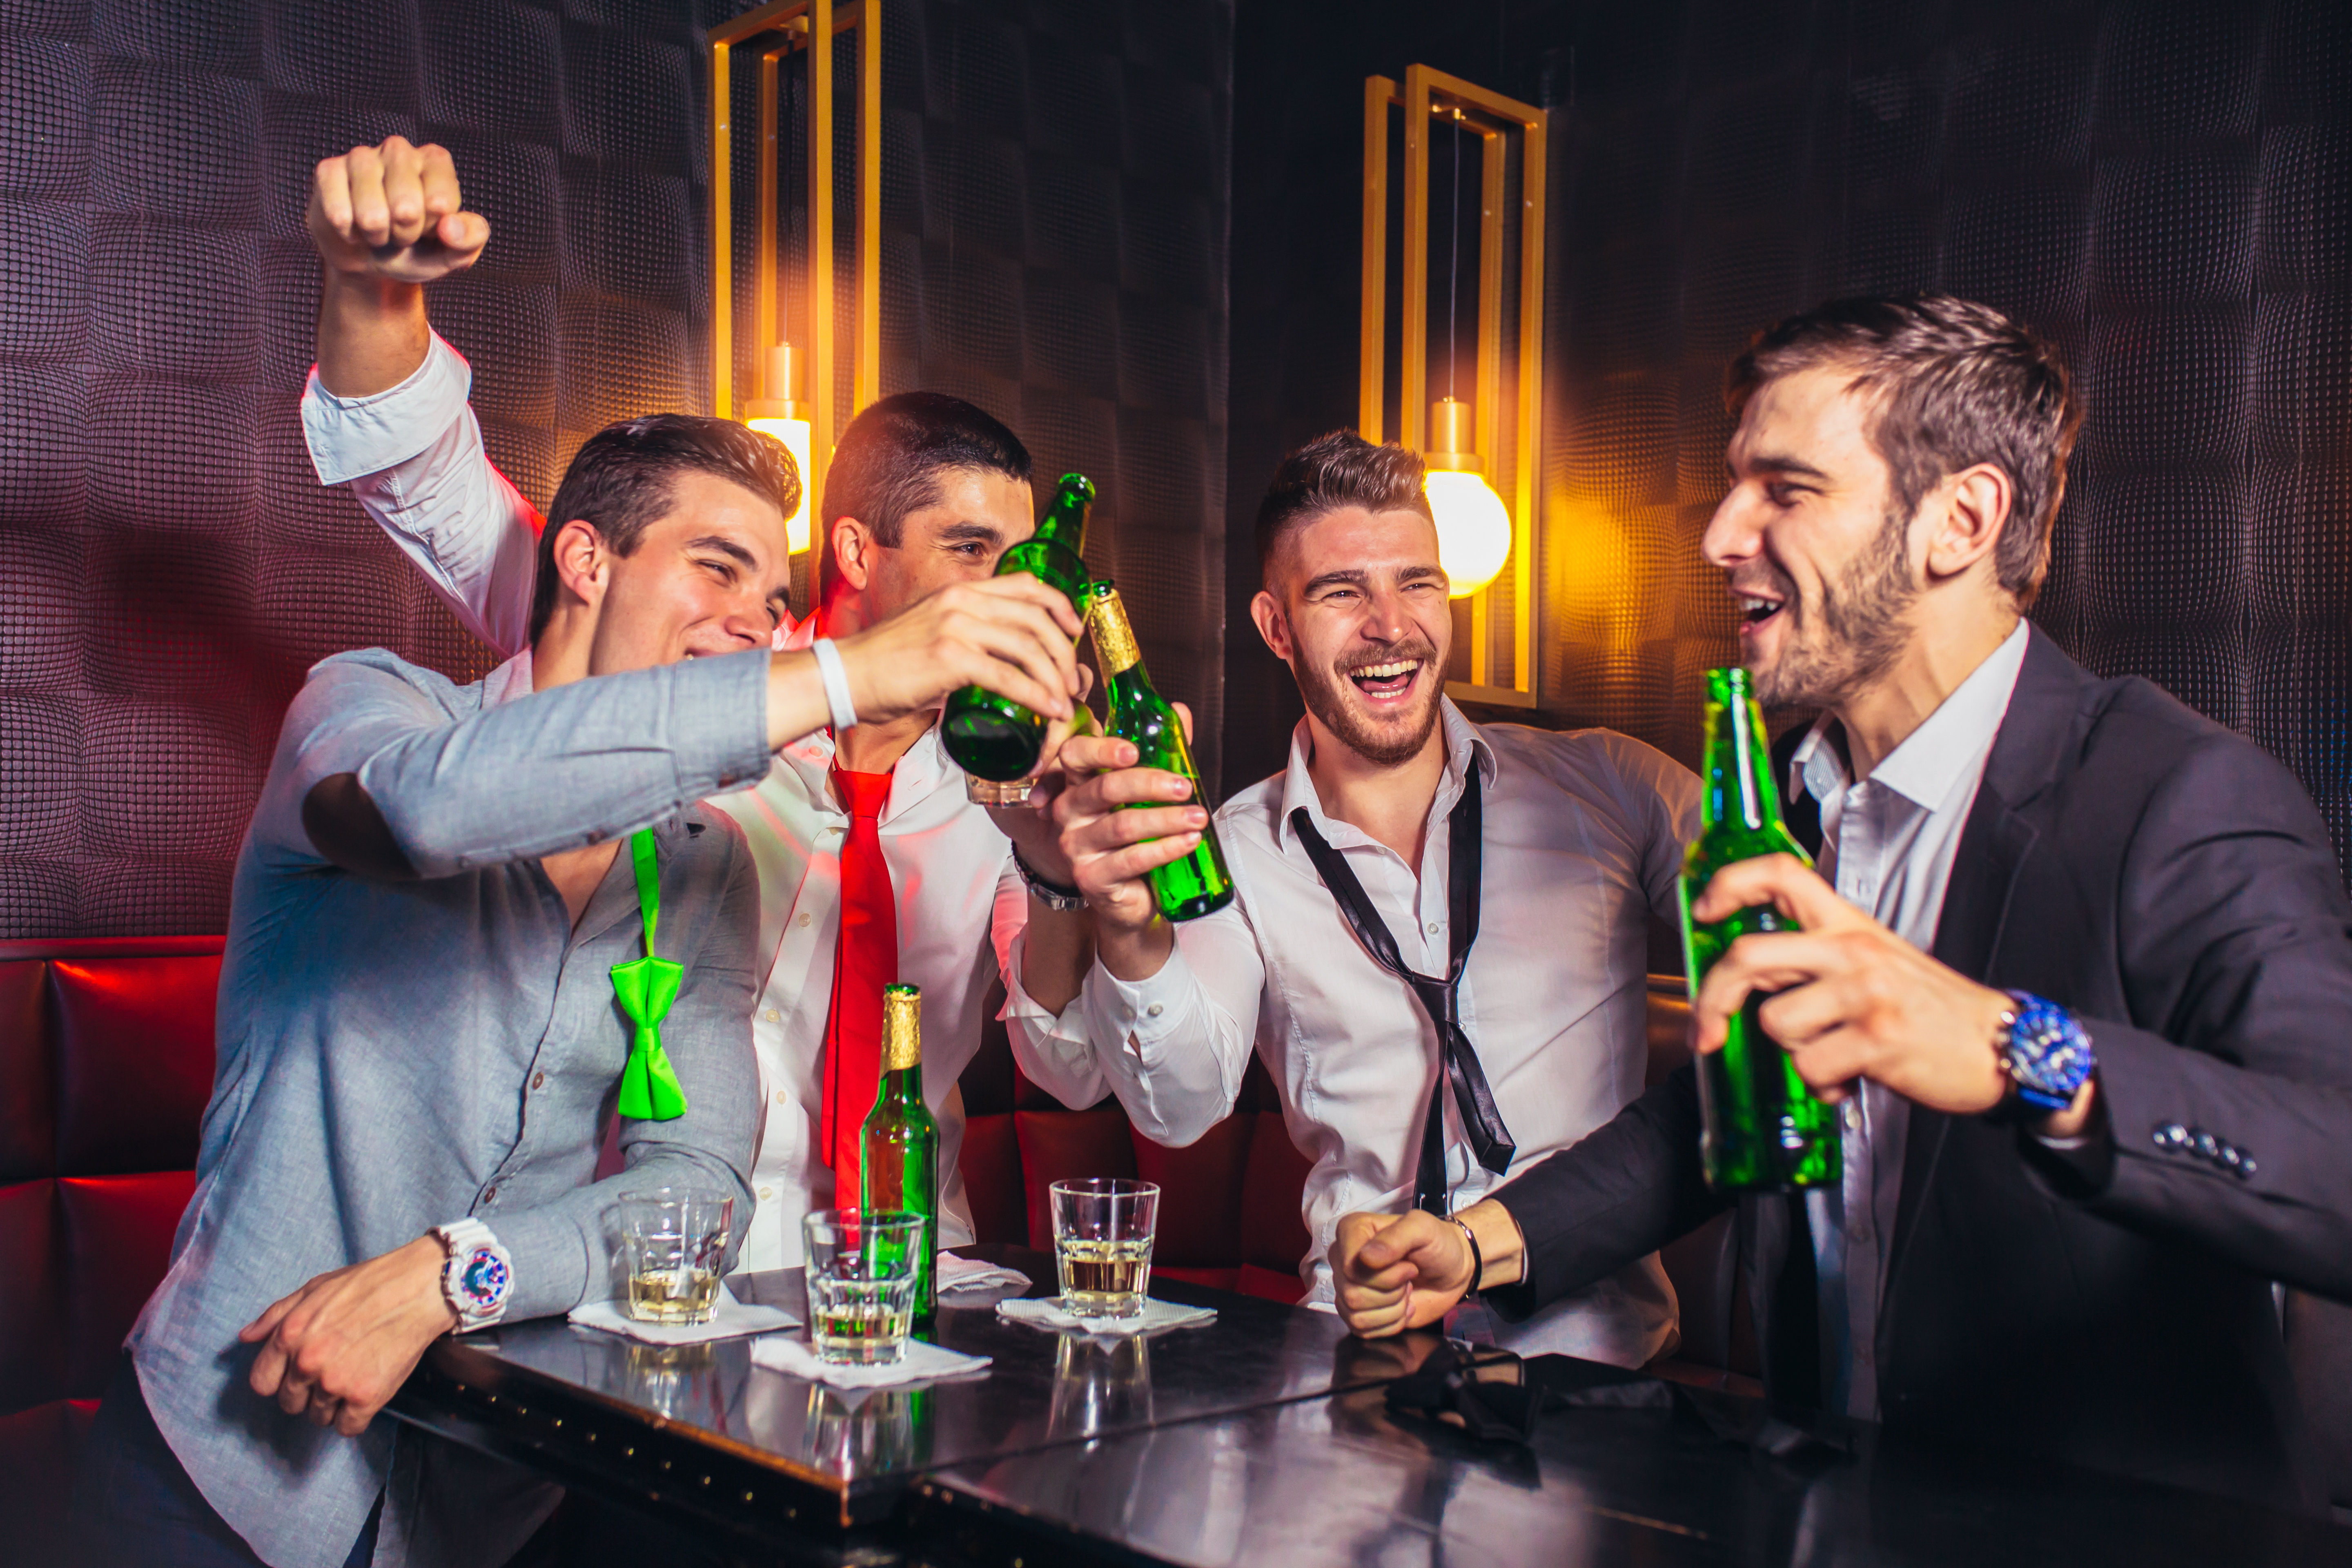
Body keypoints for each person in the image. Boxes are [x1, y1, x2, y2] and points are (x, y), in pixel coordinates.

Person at [74, 137, 1084, 1568]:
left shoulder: (710, 860)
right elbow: (436, 808)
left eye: (772, 590)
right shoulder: (366, 710)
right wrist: (374, 298)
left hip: (484, 1488)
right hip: (224, 1466)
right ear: (587, 561)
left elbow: (702, 1188)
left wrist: (452, 1276)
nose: (752, 615)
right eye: (716, 570)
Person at [1331, 293, 2352, 1512]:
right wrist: (1478, 1244)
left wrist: (2008, 1047)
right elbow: (1721, 1113)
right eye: (1730, 485)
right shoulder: (1795, 812)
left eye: (1787, 489)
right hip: (1831, 1514)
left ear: (1961, 520)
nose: (1718, 533)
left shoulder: (2180, 796)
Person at [283, 135, 1093, 1271]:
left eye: (1024, 564)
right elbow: (428, 480)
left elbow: (1074, 1070)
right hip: (636, 1286)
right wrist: (374, 291)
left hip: (905, 1275)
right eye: (970, 552)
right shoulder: (658, 647)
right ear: (859, 552)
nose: (1007, 593)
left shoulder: (997, 768)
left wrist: (1070, 877)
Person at [1011, 430, 1700, 1366]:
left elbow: (1800, 951)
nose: (1391, 625)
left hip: (1601, 1378)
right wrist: (1127, 925)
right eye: (1343, 592)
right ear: (1276, 626)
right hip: (1356, 1363)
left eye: (1417, 583)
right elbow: (1179, 1110)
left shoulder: (1615, 789)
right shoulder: (1234, 850)